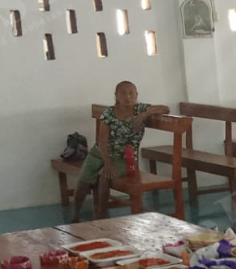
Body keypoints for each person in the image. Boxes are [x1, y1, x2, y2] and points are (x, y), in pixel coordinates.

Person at [71, 81, 170, 221]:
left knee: (104, 177)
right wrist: (107, 162)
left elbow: (165, 109)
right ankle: (75, 215)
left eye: (131, 93)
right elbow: (103, 140)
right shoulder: (109, 114)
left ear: (136, 95)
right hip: (100, 153)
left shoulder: (140, 109)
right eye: (123, 93)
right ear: (116, 96)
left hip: (124, 158)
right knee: (83, 181)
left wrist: (143, 115)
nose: (128, 97)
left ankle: (101, 217)